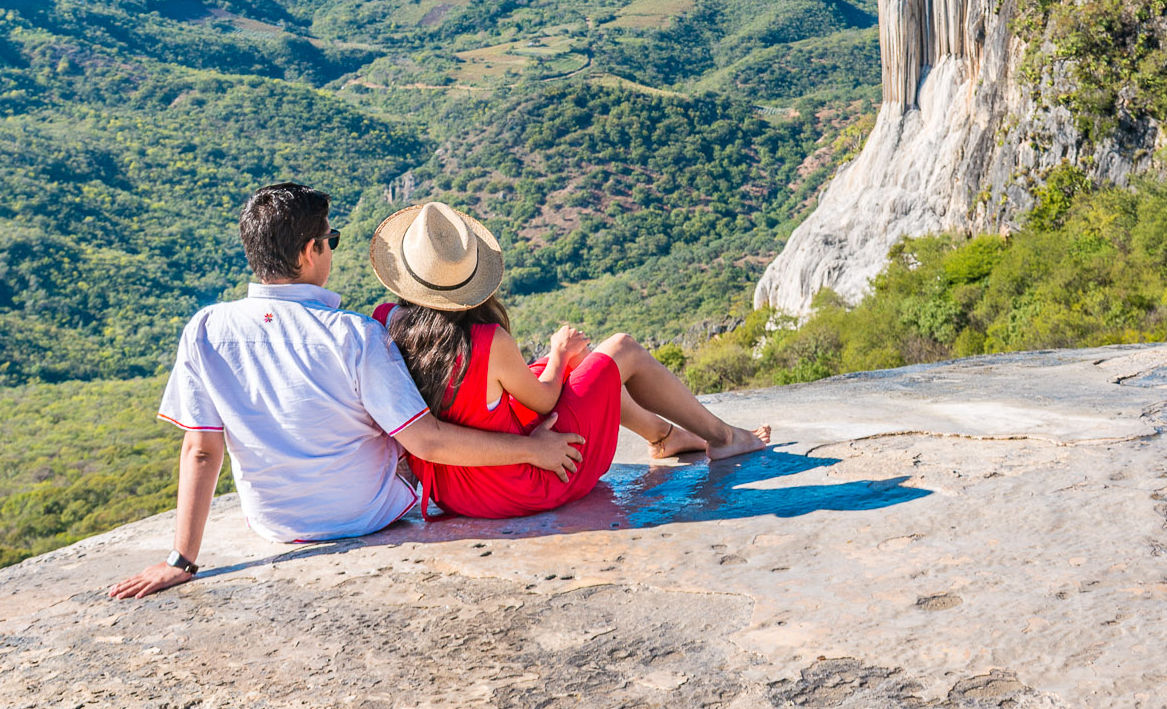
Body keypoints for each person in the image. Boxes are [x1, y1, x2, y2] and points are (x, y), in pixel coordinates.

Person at [109, 183, 587, 599]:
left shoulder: (206, 329)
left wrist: (181, 560)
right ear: (309, 252)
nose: (331, 250)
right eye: (330, 239)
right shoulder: (355, 336)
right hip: (367, 514)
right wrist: (533, 451)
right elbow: (428, 442)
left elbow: (200, 450)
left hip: (274, 524)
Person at [370, 200, 769, 520]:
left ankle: (664, 437)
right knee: (620, 349)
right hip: (523, 485)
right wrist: (560, 354)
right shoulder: (488, 341)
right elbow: (544, 400)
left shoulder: (386, 321)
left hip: (455, 491)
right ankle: (724, 438)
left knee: (576, 370)